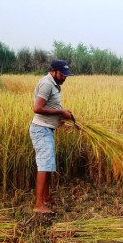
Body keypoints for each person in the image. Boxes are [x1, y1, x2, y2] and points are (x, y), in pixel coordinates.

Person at [30, 60, 73, 214]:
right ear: (53, 71)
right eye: (62, 74)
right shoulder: (47, 84)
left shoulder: (54, 84)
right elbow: (37, 108)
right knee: (44, 165)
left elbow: (51, 107)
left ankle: (46, 197)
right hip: (41, 130)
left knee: (47, 164)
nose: (64, 78)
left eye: (66, 75)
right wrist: (61, 113)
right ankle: (39, 205)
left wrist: (61, 119)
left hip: (46, 129)